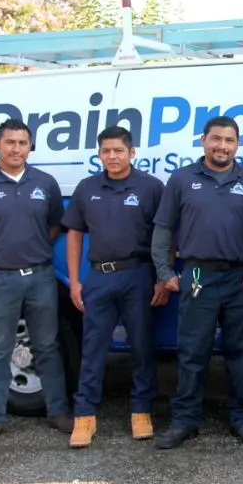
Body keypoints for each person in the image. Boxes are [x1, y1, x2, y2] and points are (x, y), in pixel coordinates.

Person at [151, 116, 243, 449]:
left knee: (241, 352)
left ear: (238, 144)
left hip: (239, 277)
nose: (222, 146)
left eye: (229, 140)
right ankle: (184, 420)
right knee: (192, 351)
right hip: (198, 274)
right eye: (216, 139)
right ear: (203, 140)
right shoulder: (181, 179)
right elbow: (163, 229)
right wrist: (164, 272)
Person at [0, 118, 73, 446]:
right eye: (10, 142)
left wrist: (30, 253)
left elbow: (53, 226)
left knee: (47, 346)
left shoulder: (45, 183)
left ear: (29, 147)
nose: (17, 149)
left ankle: (58, 411)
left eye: (23, 143)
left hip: (39, 277)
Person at [62, 126, 167, 448]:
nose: (112, 156)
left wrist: (162, 278)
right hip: (98, 277)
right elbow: (75, 234)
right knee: (93, 349)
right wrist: (75, 282)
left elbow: (166, 234)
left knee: (141, 347)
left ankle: (141, 412)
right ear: (99, 154)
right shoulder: (87, 188)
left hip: (138, 275)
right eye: (106, 151)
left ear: (131, 153)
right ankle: (84, 417)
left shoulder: (150, 188)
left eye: (118, 151)